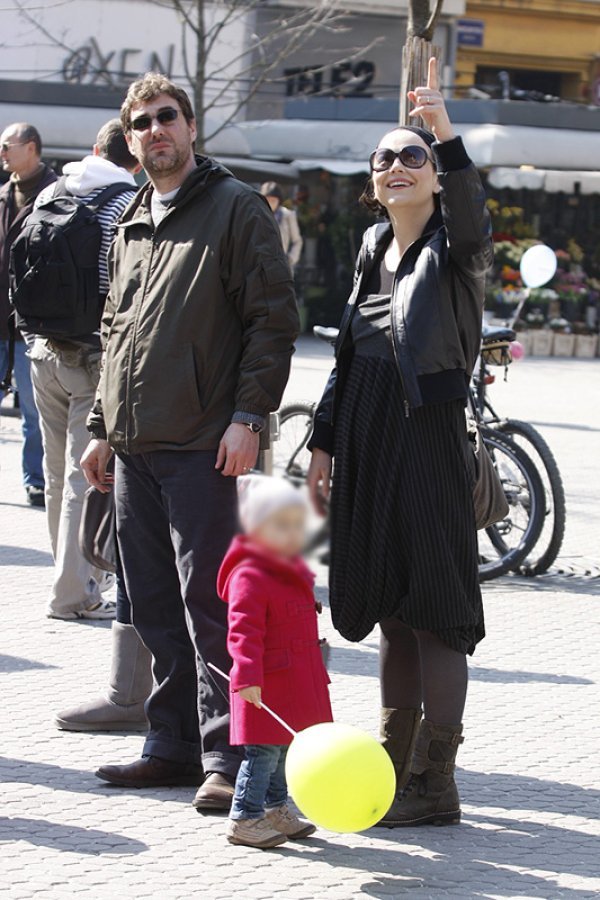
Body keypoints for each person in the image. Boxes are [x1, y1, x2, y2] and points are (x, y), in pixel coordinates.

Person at [81, 74, 299, 807]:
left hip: (206, 442)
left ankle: (228, 756)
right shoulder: (132, 216)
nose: (155, 131)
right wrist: (100, 428)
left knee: (211, 604)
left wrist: (249, 417)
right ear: (130, 139)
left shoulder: (236, 208)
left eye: (166, 116)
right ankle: (170, 745)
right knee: (151, 604)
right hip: (134, 447)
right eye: (141, 123)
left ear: (191, 126)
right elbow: (115, 329)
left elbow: (272, 321)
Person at [307, 58, 493, 828]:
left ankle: (434, 783)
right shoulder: (370, 245)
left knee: (435, 609)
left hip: (425, 434)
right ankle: (393, 765)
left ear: (436, 177)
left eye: (412, 156)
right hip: (366, 432)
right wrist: (323, 440)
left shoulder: (456, 249)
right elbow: (349, 352)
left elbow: (476, 214)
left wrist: (442, 129)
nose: (397, 166)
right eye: (384, 158)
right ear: (372, 183)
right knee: (388, 605)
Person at [28, 120, 140, 623]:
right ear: (134, 157)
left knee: (57, 476)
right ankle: (73, 592)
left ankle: (67, 577)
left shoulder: (52, 190)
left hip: (42, 349)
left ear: (96, 148)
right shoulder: (126, 202)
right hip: (92, 355)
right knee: (86, 476)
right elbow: (123, 285)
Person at [221, 475, 332, 849]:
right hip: (266, 684)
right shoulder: (250, 574)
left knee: (286, 748)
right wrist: (246, 675)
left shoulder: (290, 568)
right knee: (262, 754)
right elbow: (243, 630)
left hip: (293, 682)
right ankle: (245, 816)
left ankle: (274, 808)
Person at [0, 123, 56, 507]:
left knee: (34, 413)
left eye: (8, 145)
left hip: (31, 327)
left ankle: (35, 480)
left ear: (31, 147)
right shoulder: (3, 194)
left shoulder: (55, 194)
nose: (3, 153)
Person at [260, 182, 303, 270]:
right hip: (261, 265)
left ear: (279, 200)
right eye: (268, 200)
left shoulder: (287, 215)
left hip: (281, 265)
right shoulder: (258, 215)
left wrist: (290, 259)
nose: (270, 203)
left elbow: (297, 241)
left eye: (273, 200)